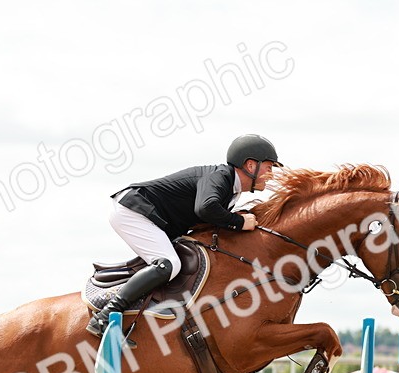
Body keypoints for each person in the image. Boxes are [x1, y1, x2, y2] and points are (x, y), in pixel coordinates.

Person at [86, 134, 283, 340]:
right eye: (269, 168)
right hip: (133, 210)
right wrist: (240, 222)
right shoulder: (221, 177)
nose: (271, 175)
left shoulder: (232, 193)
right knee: (168, 264)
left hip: (151, 217)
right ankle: (105, 314)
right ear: (250, 166)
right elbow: (205, 208)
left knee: (172, 266)